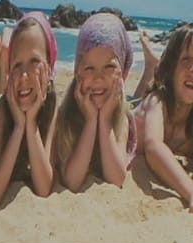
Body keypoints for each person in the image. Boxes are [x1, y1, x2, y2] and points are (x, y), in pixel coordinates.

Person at [131, 23, 193, 211]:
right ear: (171, 66)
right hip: (133, 111)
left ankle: (152, 66)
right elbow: (153, 147)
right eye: (186, 59)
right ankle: (151, 66)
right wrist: (192, 191)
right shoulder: (158, 100)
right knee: (135, 101)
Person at [0, 15, 61, 207]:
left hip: (11, 98)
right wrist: (20, 126)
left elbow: (44, 189)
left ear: (49, 66)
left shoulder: (51, 104)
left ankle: (2, 53)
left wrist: (31, 123)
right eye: (17, 64)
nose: (25, 74)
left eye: (34, 60)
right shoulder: (3, 110)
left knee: (14, 90)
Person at [50, 10, 144, 194]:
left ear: (123, 70)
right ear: (78, 72)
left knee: (138, 105)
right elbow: (72, 182)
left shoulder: (120, 117)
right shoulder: (65, 114)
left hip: (122, 106)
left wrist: (105, 120)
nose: (98, 78)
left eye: (109, 67)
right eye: (89, 68)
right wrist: (92, 121)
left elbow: (116, 179)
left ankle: (149, 70)